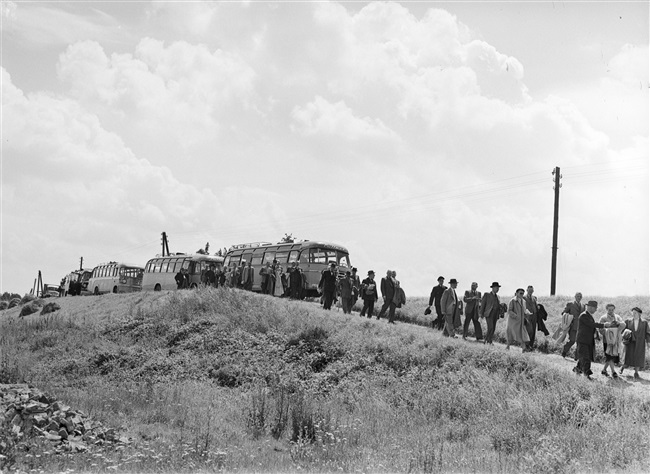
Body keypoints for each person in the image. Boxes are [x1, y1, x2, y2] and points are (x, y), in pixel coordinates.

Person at [573, 300, 612, 379]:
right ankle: (586, 374)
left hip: (587, 340)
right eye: (595, 308)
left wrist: (596, 335)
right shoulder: (583, 315)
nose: (596, 310)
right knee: (586, 357)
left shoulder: (588, 315)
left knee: (584, 356)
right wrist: (604, 325)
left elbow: (591, 327)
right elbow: (592, 325)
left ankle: (577, 369)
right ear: (590, 307)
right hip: (583, 340)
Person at [620, 307, 650, 379]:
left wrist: (648, 342)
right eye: (633, 313)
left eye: (635, 313)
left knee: (638, 356)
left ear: (639, 314)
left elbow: (647, 333)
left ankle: (636, 373)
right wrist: (624, 337)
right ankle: (622, 368)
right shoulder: (628, 321)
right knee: (628, 355)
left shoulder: (644, 322)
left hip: (640, 342)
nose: (633, 314)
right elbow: (622, 331)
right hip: (630, 342)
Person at [598, 304, 624, 377]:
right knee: (609, 355)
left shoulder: (618, 317)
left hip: (616, 341)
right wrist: (607, 327)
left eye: (612, 310)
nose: (611, 311)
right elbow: (600, 330)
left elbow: (624, 325)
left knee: (612, 356)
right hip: (607, 341)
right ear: (607, 309)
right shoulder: (603, 318)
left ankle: (604, 370)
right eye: (609, 310)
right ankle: (613, 372)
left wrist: (619, 323)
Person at [562, 292, 584, 359]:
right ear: (575, 296)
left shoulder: (583, 306)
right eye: (578, 296)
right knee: (572, 340)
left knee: (579, 342)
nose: (579, 297)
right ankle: (564, 351)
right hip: (572, 326)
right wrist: (570, 317)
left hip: (580, 327)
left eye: (580, 296)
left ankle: (576, 357)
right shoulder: (570, 304)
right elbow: (564, 313)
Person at [523, 285, 539, 351]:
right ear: (527, 290)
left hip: (534, 316)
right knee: (529, 331)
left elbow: (536, 306)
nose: (530, 291)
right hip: (527, 316)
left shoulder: (534, 298)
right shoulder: (524, 298)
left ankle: (531, 346)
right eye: (529, 290)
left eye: (532, 290)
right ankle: (526, 345)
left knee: (533, 331)